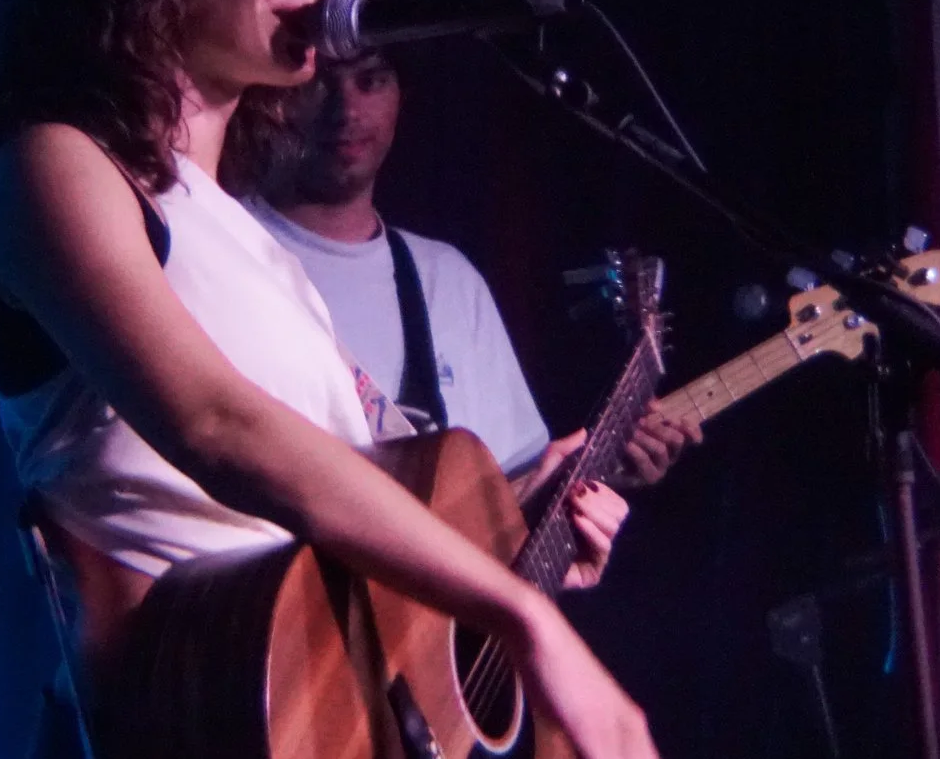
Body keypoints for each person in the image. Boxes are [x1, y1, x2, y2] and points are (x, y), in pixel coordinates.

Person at [0, 0, 665, 759]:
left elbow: (340, 518)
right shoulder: (58, 169)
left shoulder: (259, 253)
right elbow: (219, 428)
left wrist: (519, 534)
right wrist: (520, 619)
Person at [248, 49, 706, 545]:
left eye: (372, 80)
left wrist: (607, 472)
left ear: (402, 95)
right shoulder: (223, 244)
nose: (347, 110)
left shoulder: (446, 279)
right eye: (320, 81)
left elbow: (512, 493)